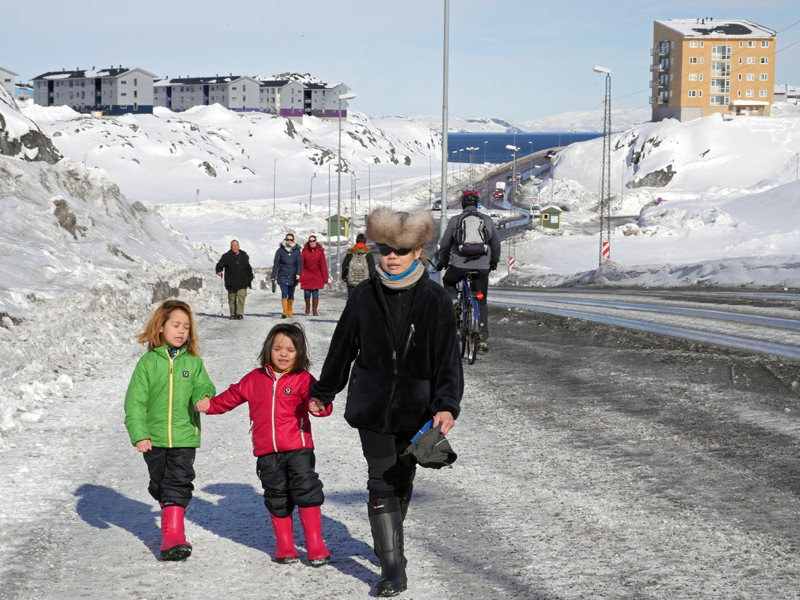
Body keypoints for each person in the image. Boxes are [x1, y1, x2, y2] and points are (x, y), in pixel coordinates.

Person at [310, 206, 463, 597]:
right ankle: (392, 566)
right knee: (380, 477)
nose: (392, 257)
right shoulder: (364, 295)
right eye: (385, 249)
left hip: (417, 408)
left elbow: (448, 359)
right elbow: (342, 348)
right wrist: (324, 392)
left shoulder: (436, 299)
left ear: (418, 252)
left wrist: (446, 403)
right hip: (372, 405)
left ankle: (389, 543)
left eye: (401, 250)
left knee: (401, 477)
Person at [195, 323, 333, 566]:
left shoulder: (303, 379)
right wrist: (209, 405)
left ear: (299, 353)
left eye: (290, 350)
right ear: (268, 349)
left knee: (307, 490)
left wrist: (320, 406)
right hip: (267, 451)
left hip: (299, 447)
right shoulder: (254, 379)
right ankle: (285, 544)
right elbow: (231, 396)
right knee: (276, 495)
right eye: (278, 348)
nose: (283, 354)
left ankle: (315, 542)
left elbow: (319, 402)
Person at [124, 300, 216, 561]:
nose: (182, 331)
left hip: (184, 435)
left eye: (186, 327)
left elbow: (203, 384)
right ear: (161, 327)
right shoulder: (147, 363)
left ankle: (173, 537)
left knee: (178, 482)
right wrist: (139, 434)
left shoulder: (193, 361)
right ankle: (169, 521)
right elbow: (135, 402)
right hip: (153, 439)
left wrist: (203, 396)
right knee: (160, 485)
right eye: (176, 325)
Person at [436, 190, 501, 352]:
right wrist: (493, 262)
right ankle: (482, 339)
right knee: (481, 300)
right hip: (482, 267)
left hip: (459, 266)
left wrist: (442, 262)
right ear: (477, 203)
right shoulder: (486, 220)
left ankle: (454, 302)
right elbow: (496, 244)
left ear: (463, 204)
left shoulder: (455, 220)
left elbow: (445, 244)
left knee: (448, 281)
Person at [215, 240, 254, 320]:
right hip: (231, 281)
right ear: (231, 247)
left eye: (237, 245)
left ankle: (239, 314)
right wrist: (218, 270)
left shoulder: (244, 255)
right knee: (232, 298)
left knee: (241, 297)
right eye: (234, 246)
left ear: (239, 246)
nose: (236, 247)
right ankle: (233, 314)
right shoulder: (226, 256)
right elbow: (220, 264)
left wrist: (250, 277)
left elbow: (248, 267)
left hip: (242, 280)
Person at [272, 233, 303, 319]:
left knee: (291, 295)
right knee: (284, 293)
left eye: (291, 240)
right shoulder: (280, 251)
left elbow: (299, 263)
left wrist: (298, 273)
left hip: (293, 276)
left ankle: (290, 309)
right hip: (282, 275)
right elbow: (276, 264)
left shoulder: (297, 251)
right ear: (285, 240)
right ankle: (285, 311)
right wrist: (273, 275)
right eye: (287, 239)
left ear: (293, 240)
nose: (289, 241)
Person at [299, 236, 329, 316]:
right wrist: (300, 276)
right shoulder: (304, 251)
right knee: (307, 293)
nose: (312, 242)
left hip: (317, 276)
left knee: (315, 293)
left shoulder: (320, 252)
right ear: (308, 242)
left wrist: (325, 278)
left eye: (313, 241)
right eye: (310, 241)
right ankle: (307, 307)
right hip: (307, 275)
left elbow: (323, 265)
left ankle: (314, 310)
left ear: (316, 241)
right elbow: (301, 265)